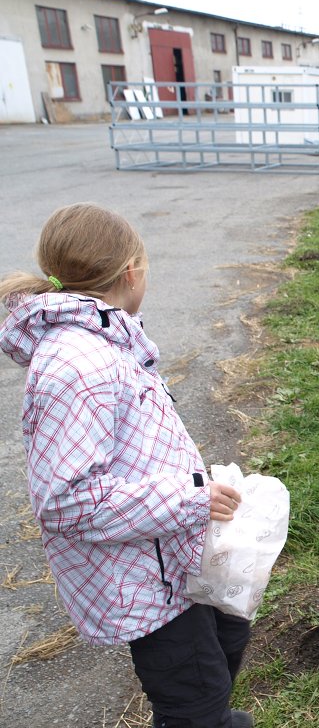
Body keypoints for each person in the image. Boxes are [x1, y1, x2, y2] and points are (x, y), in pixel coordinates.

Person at [0, 203, 253, 728]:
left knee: (227, 642)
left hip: (168, 557)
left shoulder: (106, 343)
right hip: (140, 578)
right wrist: (190, 499)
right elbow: (68, 500)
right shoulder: (79, 364)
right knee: (195, 702)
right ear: (132, 272)